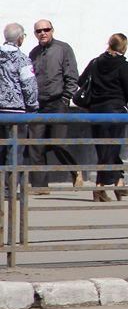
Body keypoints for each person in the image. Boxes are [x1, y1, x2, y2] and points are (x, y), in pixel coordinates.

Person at [80, 33, 128, 202]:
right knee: (111, 148)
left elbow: (81, 81)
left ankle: (119, 182)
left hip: (95, 112)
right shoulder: (123, 66)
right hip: (115, 111)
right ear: (123, 47)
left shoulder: (96, 62)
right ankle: (100, 186)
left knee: (104, 148)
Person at [27, 20, 83, 192]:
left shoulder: (63, 49)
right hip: (38, 105)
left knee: (58, 143)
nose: (43, 33)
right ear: (35, 34)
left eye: (46, 29)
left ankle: (75, 170)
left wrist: (65, 99)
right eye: (39, 31)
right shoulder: (34, 53)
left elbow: (73, 77)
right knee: (35, 145)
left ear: (52, 30)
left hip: (58, 102)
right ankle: (40, 186)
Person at [0, 23, 38, 172]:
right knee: (15, 151)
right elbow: (30, 86)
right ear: (20, 39)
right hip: (16, 112)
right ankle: (10, 190)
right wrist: (33, 107)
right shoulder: (23, 60)